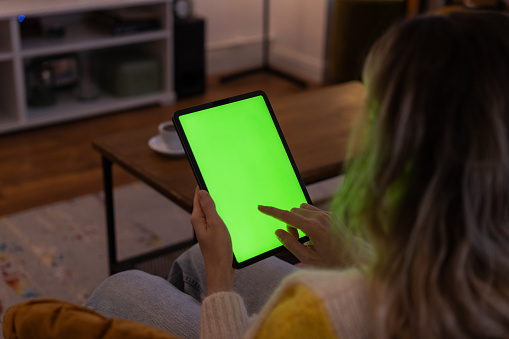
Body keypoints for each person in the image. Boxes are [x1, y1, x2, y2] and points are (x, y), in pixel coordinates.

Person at [85, 11, 509, 339]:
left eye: (375, 108)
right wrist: (357, 257)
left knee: (123, 288)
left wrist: (219, 281)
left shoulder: (320, 310)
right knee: (209, 258)